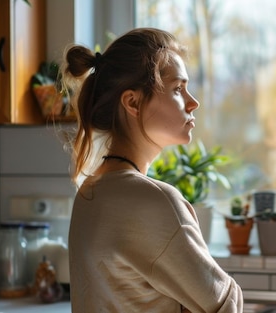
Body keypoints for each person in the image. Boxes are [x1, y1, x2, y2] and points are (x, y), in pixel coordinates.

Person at [61, 28, 244, 312]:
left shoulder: (90, 191)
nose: (193, 102)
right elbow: (225, 305)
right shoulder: (154, 201)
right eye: (178, 89)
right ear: (132, 102)